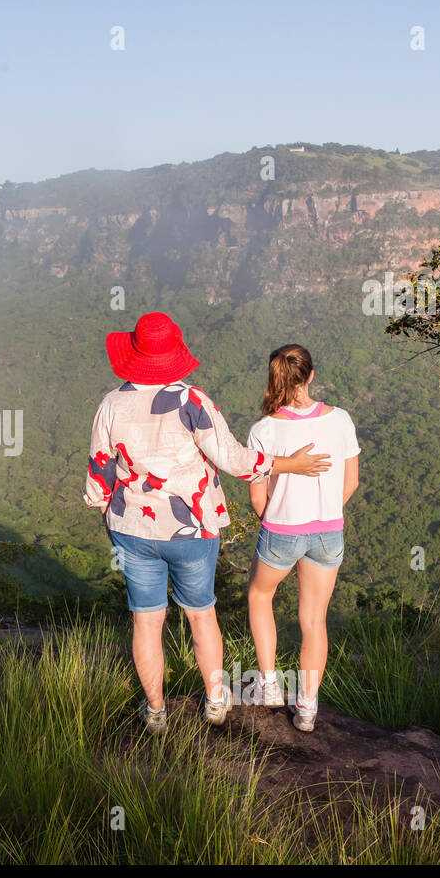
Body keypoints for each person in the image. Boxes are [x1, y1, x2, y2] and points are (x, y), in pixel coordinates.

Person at [84, 313, 331, 733]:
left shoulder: (111, 405)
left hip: (132, 529)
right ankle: (216, 700)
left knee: (146, 621)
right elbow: (234, 460)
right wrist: (290, 464)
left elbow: (98, 477)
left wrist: (114, 523)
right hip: (192, 529)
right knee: (201, 616)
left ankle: (156, 710)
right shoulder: (193, 402)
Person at [245, 344, 360, 732]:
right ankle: (307, 708)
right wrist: (323, 513)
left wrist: (281, 519)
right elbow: (352, 482)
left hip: (281, 531)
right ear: (310, 375)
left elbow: (257, 497)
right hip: (328, 531)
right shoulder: (340, 420)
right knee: (314, 619)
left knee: (260, 596)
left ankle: (270, 684)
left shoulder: (263, 430)